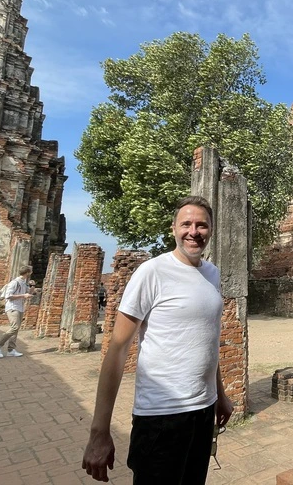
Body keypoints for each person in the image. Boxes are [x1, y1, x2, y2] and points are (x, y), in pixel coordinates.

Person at [82, 196, 234, 484]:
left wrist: (220, 395)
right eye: (186, 224)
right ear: (173, 228)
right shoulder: (152, 272)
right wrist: (99, 432)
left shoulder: (211, 273)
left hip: (202, 410)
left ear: (211, 230)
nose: (194, 231)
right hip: (161, 415)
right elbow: (117, 350)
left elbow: (207, 341)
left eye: (201, 225)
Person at [0, 265, 35, 358]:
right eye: (30, 272)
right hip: (12, 307)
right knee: (14, 328)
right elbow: (8, 296)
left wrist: (32, 286)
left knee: (16, 328)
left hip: (19, 307)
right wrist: (23, 295)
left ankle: (11, 350)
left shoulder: (23, 283)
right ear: (27, 273)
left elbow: (29, 293)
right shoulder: (15, 282)